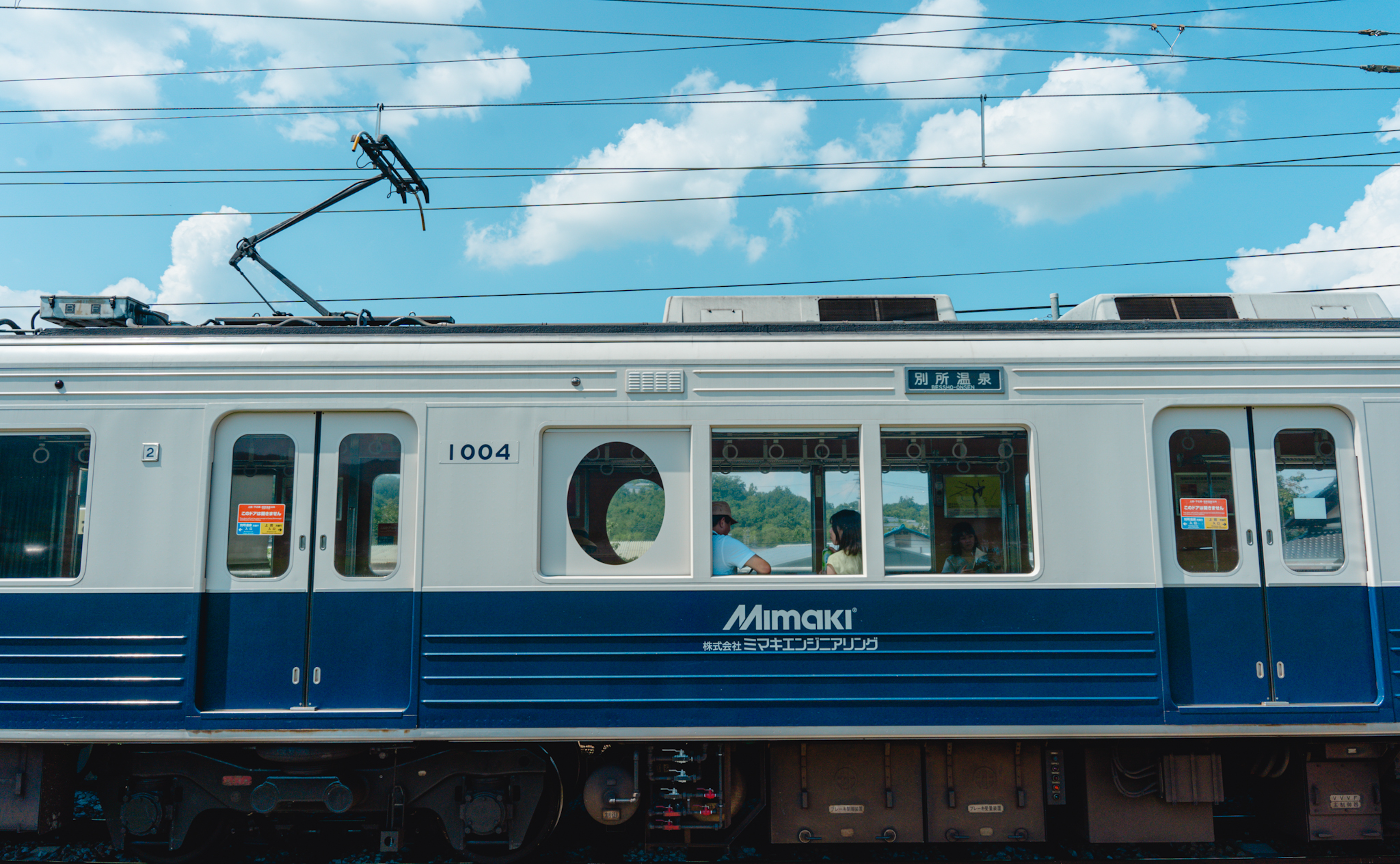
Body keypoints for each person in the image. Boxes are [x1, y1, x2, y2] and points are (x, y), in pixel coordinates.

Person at [712, 501, 771, 575]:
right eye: (729, 525)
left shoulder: (696, 542)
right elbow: (764, 568)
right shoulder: (725, 543)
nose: (729, 529)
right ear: (722, 522)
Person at [824, 509, 862, 574]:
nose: (830, 531)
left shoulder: (834, 560)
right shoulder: (866, 556)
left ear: (844, 530)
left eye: (833, 527)